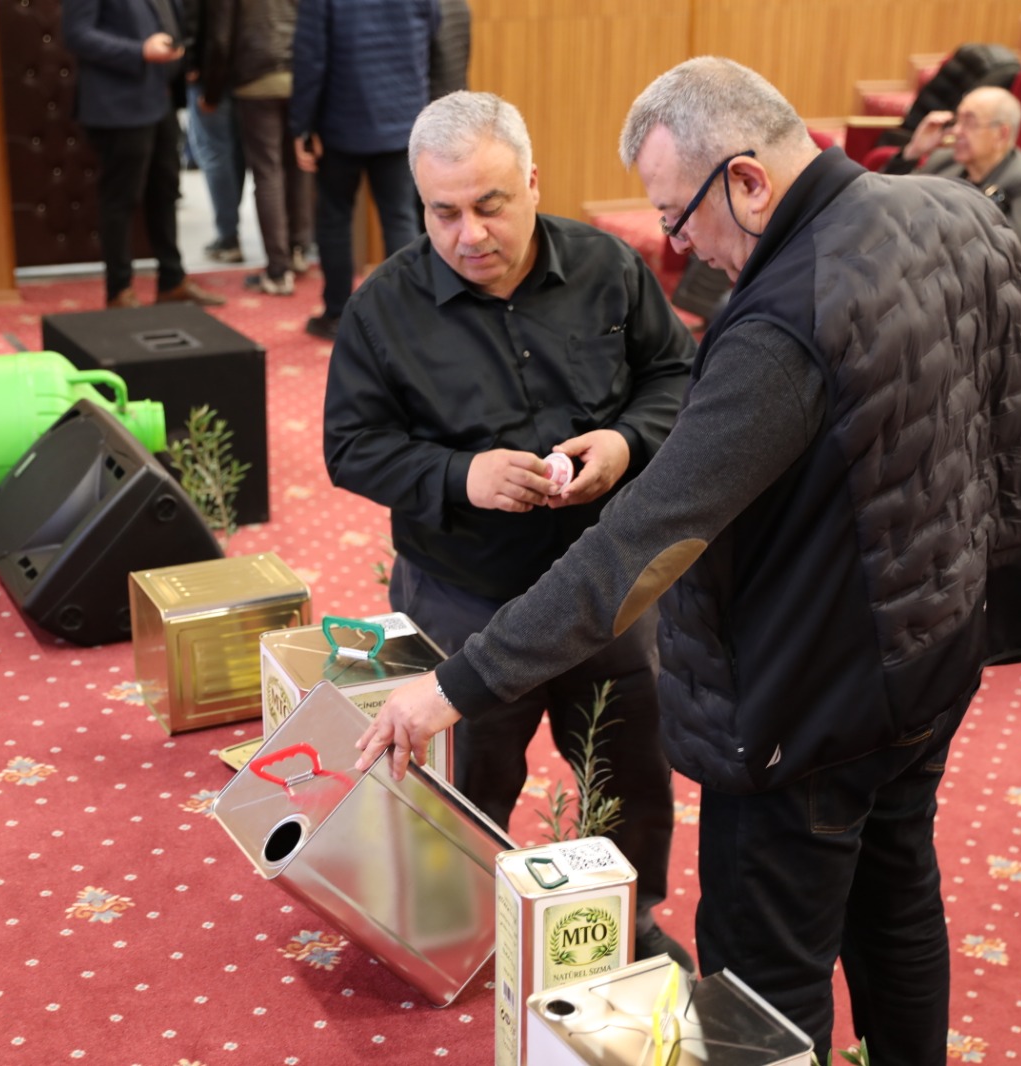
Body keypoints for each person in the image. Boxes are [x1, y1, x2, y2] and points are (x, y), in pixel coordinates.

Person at [356, 58, 1021, 1063]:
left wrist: (454, 687)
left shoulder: (783, 322)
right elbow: (1015, 416)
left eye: (677, 213)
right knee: (896, 894)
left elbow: (639, 545)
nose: (677, 243)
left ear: (745, 179)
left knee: (759, 982)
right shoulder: (953, 210)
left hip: (804, 704)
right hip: (934, 646)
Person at [323, 91, 698, 969]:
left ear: (533, 182)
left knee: (629, 770)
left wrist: (625, 441)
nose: (469, 235)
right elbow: (350, 448)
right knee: (466, 780)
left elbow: (677, 376)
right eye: (443, 212)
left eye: (490, 205)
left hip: (605, 582)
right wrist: (462, 476)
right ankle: (451, 923)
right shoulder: (384, 307)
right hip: (465, 593)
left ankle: (628, 917)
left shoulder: (607, 266)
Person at [62, 0, 225, 309]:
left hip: (161, 99)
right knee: (121, 199)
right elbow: (77, 34)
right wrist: (139, 51)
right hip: (118, 105)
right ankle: (119, 290)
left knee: (165, 191)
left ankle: (172, 281)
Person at [291, 0, 438, 340]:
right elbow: (433, 30)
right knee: (400, 217)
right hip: (403, 116)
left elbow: (310, 57)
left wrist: (302, 124)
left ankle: (337, 315)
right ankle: (407, 316)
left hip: (339, 120)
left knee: (334, 218)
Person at [196, 0, 313, 293]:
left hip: (256, 76)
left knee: (267, 172)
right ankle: (298, 250)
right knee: (298, 164)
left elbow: (221, 38)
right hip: (300, 73)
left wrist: (211, 92)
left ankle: (278, 271)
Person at [883, 85, 1021, 258]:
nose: (956, 131)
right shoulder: (943, 160)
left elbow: (1010, 253)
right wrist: (914, 151)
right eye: (957, 120)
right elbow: (888, 201)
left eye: (969, 123)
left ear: (1001, 134)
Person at [184, 0, 250, 265]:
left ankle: (228, 236)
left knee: (215, 154)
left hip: (213, 74)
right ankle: (229, 230)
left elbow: (211, 32)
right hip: (247, 70)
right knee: (234, 154)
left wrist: (192, 66)